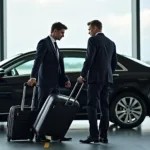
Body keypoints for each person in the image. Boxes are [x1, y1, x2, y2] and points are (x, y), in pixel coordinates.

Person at [27, 22, 72, 142]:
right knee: (42, 108)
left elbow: (58, 67)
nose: (63, 35)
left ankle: (56, 134)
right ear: (55, 31)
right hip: (45, 84)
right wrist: (33, 77)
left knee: (55, 110)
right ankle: (39, 134)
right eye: (62, 32)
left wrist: (65, 79)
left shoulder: (55, 46)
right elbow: (38, 61)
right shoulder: (44, 43)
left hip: (55, 84)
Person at [77, 20, 117, 144]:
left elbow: (89, 59)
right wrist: (108, 74)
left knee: (92, 106)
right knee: (104, 107)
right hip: (107, 79)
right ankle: (103, 136)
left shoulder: (92, 41)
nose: (89, 33)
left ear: (95, 28)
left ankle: (93, 135)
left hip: (95, 78)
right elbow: (113, 63)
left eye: (89, 29)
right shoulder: (111, 43)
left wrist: (82, 75)